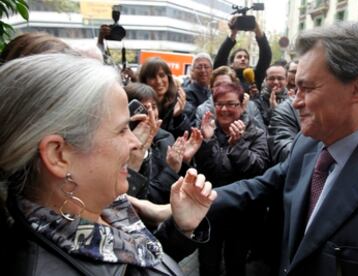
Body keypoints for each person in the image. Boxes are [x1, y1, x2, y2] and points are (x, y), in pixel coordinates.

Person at [211, 21, 358, 275]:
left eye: (307, 88)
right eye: (295, 88)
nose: (295, 102)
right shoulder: (308, 143)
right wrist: (190, 202)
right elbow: (261, 187)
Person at [1, 53, 217, 275]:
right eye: (122, 129)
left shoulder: (106, 206)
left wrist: (180, 228)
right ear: (58, 155)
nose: (134, 142)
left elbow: (137, 262)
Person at [196, 82, 270, 276]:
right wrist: (208, 141)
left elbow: (258, 169)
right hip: (209, 209)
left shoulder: (255, 132)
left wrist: (238, 146)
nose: (225, 109)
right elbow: (206, 170)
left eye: (231, 104)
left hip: (242, 211)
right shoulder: (207, 129)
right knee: (208, 263)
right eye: (219, 104)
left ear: (241, 105)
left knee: (236, 263)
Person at [194, 65, 266, 129]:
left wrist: (243, 113)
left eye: (227, 85)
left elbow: (261, 135)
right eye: (218, 85)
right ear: (211, 88)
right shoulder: (203, 110)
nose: (222, 89)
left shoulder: (250, 106)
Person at [213, 16, 271, 94]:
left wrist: (256, 28)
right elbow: (220, 58)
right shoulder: (225, 76)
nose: (243, 59)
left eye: (246, 57)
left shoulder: (255, 76)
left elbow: (266, 55)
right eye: (239, 57)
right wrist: (233, 32)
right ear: (232, 63)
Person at [139, 57, 192, 138]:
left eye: (162, 75)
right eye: (153, 77)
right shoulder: (139, 105)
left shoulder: (183, 105)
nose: (158, 81)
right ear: (144, 80)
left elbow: (186, 138)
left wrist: (178, 117)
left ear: (168, 77)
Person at [183, 53, 213, 117]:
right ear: (192, 70)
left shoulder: (213, 91)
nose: (203, 70)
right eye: (199, 67)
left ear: (211, 70)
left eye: (206, 67)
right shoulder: (187, 93)